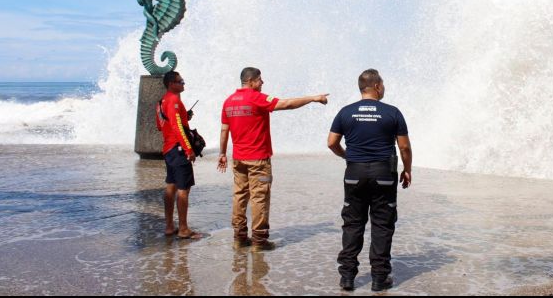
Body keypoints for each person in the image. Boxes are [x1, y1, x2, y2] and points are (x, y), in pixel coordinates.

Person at [217, 67, 329, 251]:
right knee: (259, 198)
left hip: (238, 159)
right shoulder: (256, 97)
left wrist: (222, 153)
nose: (263, 83)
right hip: (258, 159)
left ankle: (239, 237)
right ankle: (259, 241)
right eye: (260, 80)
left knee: (239, 196)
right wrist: (313, 98)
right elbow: (286, 104)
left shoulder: (229, 101)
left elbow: (224, 130)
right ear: (251, 81)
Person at [327, 69, 412, 292]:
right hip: (384, 175)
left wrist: (348, 156)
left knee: (353, 224)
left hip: (354, 174)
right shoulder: (392, 112)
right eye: (382, 84)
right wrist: (407, 169)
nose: (384, 88)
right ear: (376, 86)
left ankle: (347, 278)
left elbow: (331, 142)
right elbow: (403, 146)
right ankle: (379, 278)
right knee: (382, 225)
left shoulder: (346, 112)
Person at [156, 70, 201, 239]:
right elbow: (177, 127)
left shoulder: (161, 102)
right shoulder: (174, 100)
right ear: (171, 84)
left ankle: (169, 226)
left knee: (171, 186)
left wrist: (185, 116)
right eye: (180, 81)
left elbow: (161, 125)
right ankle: (183, 229)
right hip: (178, 148)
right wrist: (188, 149)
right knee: (183, 189)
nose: (183, 84)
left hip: (168, 149)